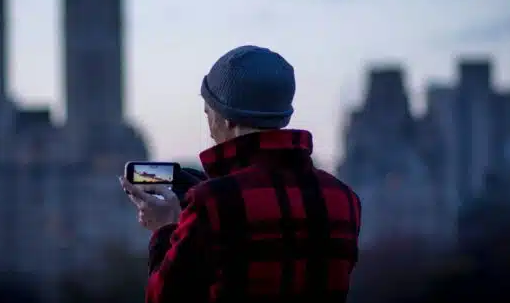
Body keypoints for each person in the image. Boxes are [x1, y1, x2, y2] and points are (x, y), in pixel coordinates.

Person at [120, 45, 361, 303]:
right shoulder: (344, 199)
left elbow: (164, 297)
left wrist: (165, 228)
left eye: (208, 114)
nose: (209, 129)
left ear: (227, 119)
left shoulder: (212, 202)